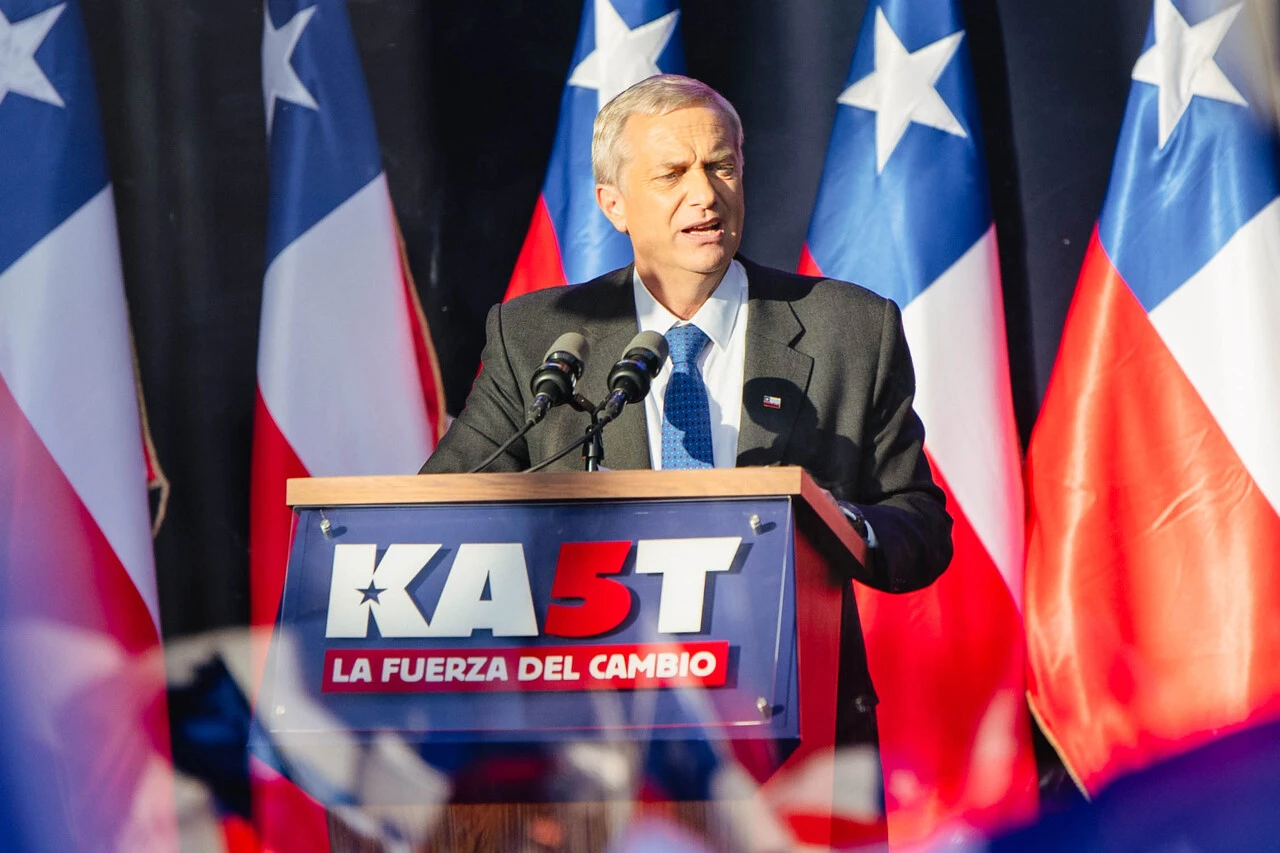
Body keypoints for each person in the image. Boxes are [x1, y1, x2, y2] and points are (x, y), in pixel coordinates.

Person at [421, 74, 952, 748]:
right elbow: (437, 512)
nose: (705, 193)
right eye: (672, 173)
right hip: (590, 739)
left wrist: (834, 524)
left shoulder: (848, 328)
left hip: (799, 730)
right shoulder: (536, 337)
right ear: (613, 204)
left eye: (720, 165)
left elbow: (921, 525)